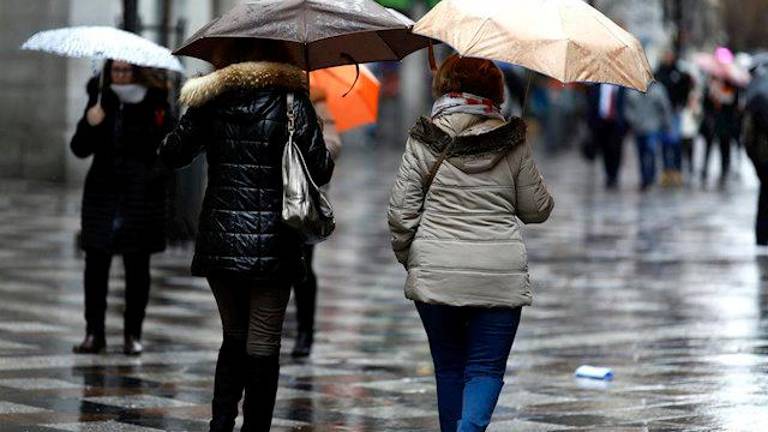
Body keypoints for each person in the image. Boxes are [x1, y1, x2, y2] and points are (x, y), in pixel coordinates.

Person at [159, 56, 333, 432]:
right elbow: (321, 169)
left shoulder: (212, 98)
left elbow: (171, 153)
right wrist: (311, 130)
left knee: (234, 335)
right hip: (275, 241)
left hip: (221, 236)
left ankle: (220, 423)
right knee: (264, 341)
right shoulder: (292, 101)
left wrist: (193, 110)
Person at [388, 55, 554, 432]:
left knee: (448, 369)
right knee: (485, 369)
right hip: (499, 277)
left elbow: (400, 214)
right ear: (496, 92)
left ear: (444, 88)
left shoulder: (424, 137)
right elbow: (537, 209)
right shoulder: (512, 139)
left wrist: (412, 258)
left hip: (435, 274)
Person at [70, 60, 172, 356]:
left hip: (140, 196)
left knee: (137, 268)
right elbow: (79, 148)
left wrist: (150, 174)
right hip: (102, 194)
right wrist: (91, 122)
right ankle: (94, 333)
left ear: (137, 72)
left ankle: (132, 334)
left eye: (127, 71)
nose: (121, 77)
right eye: (116, 71)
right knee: (95, 265)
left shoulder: (156, 103)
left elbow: (168, 148)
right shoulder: (100, 98)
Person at [290, 86, 342, 358]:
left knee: (303, 266)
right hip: (271, 195)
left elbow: (333, 145)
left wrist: (309, 138)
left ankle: (304, 332)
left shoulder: (315, 98)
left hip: (304, 198)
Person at [624, 83, 675, 191]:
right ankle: (644, 178)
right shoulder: (632, 91)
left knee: (651, 151)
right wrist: (633, 121)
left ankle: (650, 177)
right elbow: (627, 109)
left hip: (653, 128)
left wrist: (666, 124)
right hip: (638, 129)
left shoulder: (658, 90)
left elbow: (665, 108)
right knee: (641, 154)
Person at [656, 51, 694, 186]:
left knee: (676, 142)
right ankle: (667, 171)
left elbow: (685, 89)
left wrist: (681, 103)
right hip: (662, 113)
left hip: (674, 111)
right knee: (665, 143)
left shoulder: (678, 73)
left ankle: (677, 171)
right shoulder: (660, 73)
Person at [586, 83, 629, 189]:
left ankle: (614, 175)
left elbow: (626, 105)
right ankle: (609, 175)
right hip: (602, 122)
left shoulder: (622, 88)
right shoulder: (597, 86)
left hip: (617, 124)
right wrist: (591, 122)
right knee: (605, 150)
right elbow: (592, 104)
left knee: (616, 150)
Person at [701, 77, 740, 186]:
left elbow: (734, 104)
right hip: (711, 123)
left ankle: (725, 170)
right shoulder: (709, 86)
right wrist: (712, 96)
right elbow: (705, 104)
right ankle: (704, 170)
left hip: (725, 123)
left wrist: (723, 97)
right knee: (708, 147)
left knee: (725, 148)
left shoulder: (731, 87)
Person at [744, 73, 768, 245]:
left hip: (761, 158)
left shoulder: (756, 98)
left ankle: (761, 237)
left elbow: (747, 138)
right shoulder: (760, 101)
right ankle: (762, 237)